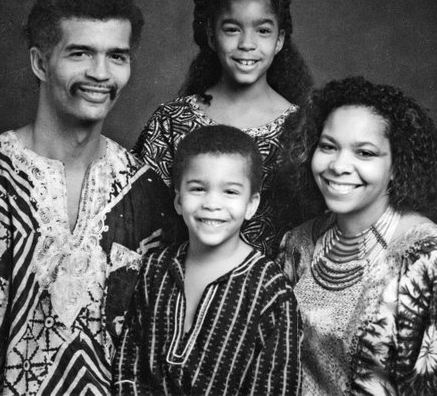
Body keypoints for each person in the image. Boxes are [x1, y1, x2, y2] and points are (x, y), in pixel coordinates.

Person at [0, 0, 176, 395]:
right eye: (80, 53)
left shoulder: (149, 191)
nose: (101, 74)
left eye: (116, 56)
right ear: (39, 63)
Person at [277, 77, 437, 395]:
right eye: (328, 147)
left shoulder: (430, 261)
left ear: (397, 165)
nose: (339, 165)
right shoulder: (297, 245)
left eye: (365, 153)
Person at [133, 0, 313, 257]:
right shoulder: (170, 121)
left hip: (275, 289)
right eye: (232, 29)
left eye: (263, 30)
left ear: (280, 40)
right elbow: (142, 219)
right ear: (211, 36)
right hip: (183, 287)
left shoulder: (303, 126)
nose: (247, 44)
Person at [114, 125, 302, 395]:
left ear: (251, 204)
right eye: (198, 188)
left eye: (230, 192)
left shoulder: (271, 291)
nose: (212, 203)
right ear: (178, 200)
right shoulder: (155, 268)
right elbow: (128, 364)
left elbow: (275, 388)